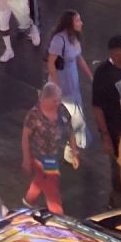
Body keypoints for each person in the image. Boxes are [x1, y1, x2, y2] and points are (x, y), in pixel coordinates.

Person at [91, 36, 121, 207]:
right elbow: (97, 107)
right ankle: (117, 204)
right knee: (120, 170)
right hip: (116, 131)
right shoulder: (103, 74)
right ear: (115, 52)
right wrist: (105, 137)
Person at [22, 81, 78, 215]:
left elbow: (70, 131)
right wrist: (26, 159)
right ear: (45, 99)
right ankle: (58, 214)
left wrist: (74, 152)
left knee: (41, 179)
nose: (58, 103)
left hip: (56, 154)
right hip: (41, 157)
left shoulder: (62, 110)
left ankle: (29, 200)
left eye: (59, 100)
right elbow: (25, 137)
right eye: (54, 101)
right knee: (52, 187)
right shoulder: (34, 115)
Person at [46, 11, 93, 152]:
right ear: (70, 23)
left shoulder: (74, 38)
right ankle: (77, 142)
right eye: (78, 20)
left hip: (72, 81)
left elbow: (79, 58)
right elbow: (51, 63)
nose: (81, 23)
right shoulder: (59, 40)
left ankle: (75, 140)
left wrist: (90, 75)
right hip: (62, 83)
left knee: (74, 112)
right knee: (74, 112)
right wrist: (57, 85)